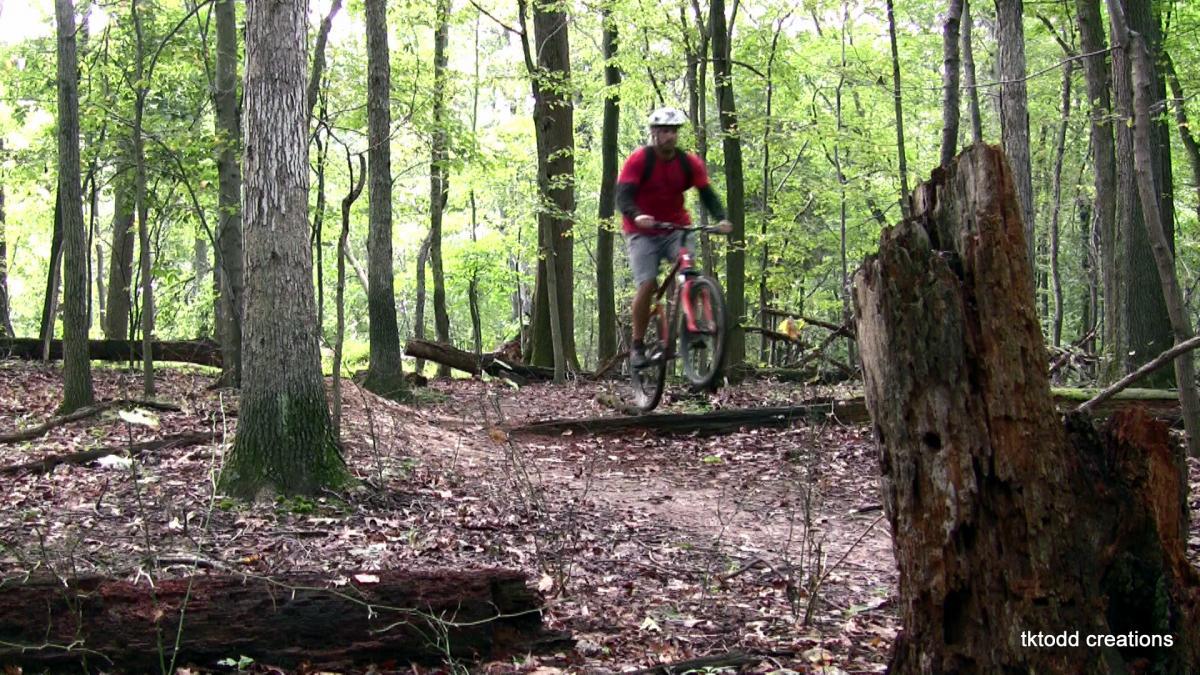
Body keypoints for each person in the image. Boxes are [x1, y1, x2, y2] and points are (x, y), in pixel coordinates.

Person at [615, 106, 732, 368]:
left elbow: (707, 194)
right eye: (665, 131)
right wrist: (636, 216)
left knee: (689, 270)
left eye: (674, 131)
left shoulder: (687, 163)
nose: (670, 136)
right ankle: (637, 344)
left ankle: (696, 324)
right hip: (641, 232)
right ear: (654, 133)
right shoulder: (639, 161)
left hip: (676, 228)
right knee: (647, 284)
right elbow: (623, 196)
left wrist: (721, 218)